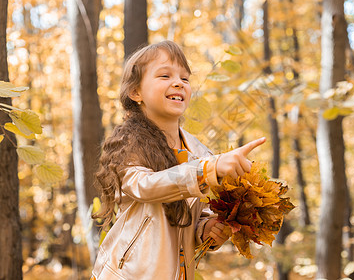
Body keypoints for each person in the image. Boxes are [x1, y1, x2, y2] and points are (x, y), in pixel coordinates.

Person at [90, 40, 266, 280]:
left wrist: (205, 230)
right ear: (136, 92)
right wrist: (208, 170)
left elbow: (189, 216)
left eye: (185, 79)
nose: (178, 83)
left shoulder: (197, 151)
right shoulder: (128, 142)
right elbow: (147, 186)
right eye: (164, 75)